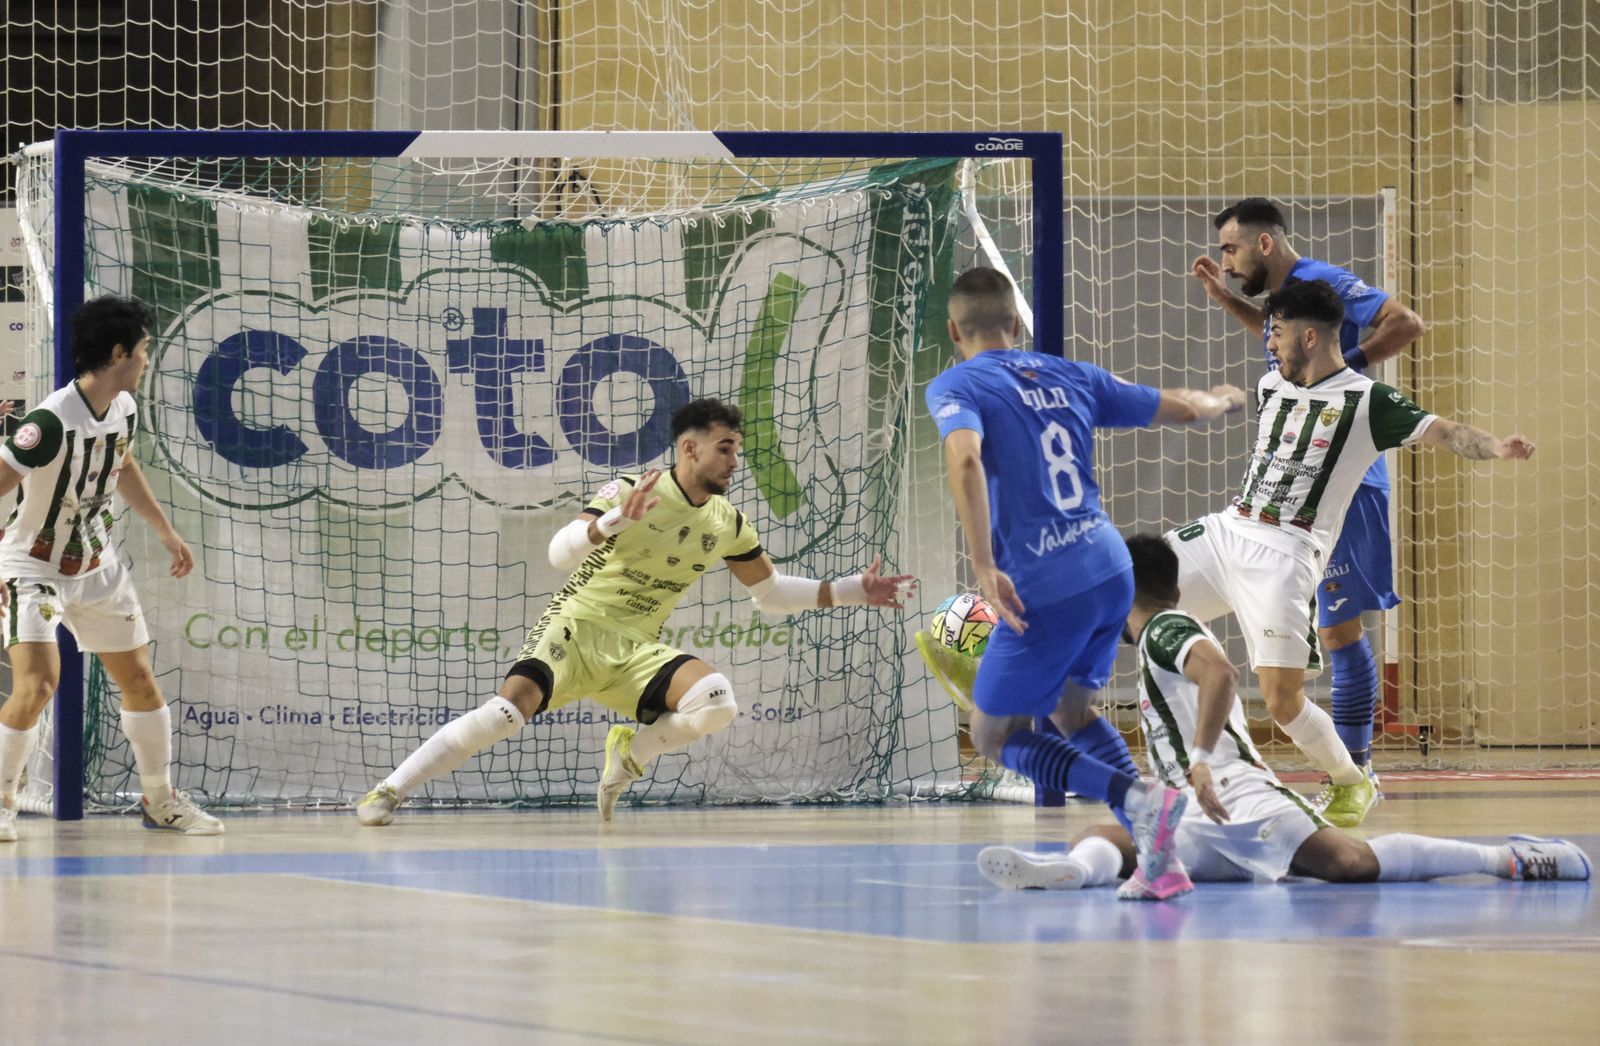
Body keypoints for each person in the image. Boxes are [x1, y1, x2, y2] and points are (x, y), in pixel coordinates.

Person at [356, 397, 915, 826]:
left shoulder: (726, 521)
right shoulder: (631, 490)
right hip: (575, 629)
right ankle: (390, 791)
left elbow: (769, 594)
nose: (734, 461)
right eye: (725, 448)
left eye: (738, 450)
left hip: (635, 649)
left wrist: (851, 590)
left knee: (716, 702)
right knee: (503, 716)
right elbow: (558, 553)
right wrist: (612, 522)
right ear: (689, 449)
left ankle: (631, 749)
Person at [977, 534, 1590, 891]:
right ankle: (1071, 873)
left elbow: (1221, 673)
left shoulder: (1165, 627)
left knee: (1348, 863)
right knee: (1105, 838)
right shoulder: (1157, 636)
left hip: (1234, 792)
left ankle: (1507, 859)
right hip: (1191, 810)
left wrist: (1199, 760)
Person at [1156, 277, 1532, 833]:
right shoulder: (1272, 384)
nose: (1270, 344)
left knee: (1282, 702)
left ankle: (1352, 780)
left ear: (1309, 337)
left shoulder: (1368, 402)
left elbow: (1445, 432)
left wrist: (1496, 447)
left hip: (1285, 555)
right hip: (1227, 531)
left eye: (1277, 333)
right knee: (1124, 593)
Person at [925, 266, 1249, 901]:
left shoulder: (957, 384)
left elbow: (964, 457)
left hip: (1046, 582)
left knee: (992, 736)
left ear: (954, 332)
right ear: (1014, 324)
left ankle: (1140, 799)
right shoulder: (1070, 374)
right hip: (1109, 568)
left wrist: (984, 566)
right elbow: (1184, 408)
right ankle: (1159, 855)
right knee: (1070, 712)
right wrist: (1223, 398)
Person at [1192, 197, 1427, 826]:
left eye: (1231, 249)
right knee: (1330, 632)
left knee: (1340, 632)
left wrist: (1345, 373)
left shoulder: (1323, 280)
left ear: (1265, 244)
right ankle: (1351, 774)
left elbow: (1406, 323)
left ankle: (1358, 774)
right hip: (1303, 488)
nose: (1226, 260)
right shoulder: (1288, 303)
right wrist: (1227, 301)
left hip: (1344, 483)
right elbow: (1289, 349)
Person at [0, 295, 222, 841]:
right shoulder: (50, 421)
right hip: (34, 567)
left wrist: (164, 529)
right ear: (119, 353)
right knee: (38, 685)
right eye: (144, 349)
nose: (148, 359)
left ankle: (160, 800)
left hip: (98, 567)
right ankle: (2, 798)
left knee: (140, 680)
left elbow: (120, 462)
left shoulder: (123, 408)